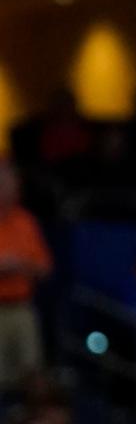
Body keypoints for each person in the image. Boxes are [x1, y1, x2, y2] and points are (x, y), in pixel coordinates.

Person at [0, 161, 52, 391]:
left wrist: (19, 264)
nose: (9, 188)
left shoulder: (25, 221)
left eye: (12, 182)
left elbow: (44, 268)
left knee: (31, 374)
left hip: (22, 308)